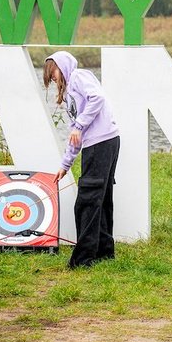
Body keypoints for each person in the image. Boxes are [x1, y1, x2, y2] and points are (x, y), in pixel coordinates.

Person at [43, 51, 121, 268]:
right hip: (103, 142)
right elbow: (75, 136)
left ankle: (83, 259)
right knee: (101, 199)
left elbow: (98, 98)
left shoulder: (79, 76)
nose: (54, 78)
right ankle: (104, 252)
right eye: (51, 77)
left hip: (101, 143)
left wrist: (79, 124)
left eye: (54, 72)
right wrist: (65, 165)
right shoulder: (69, 95)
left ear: (63, 66)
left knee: (86, 202)